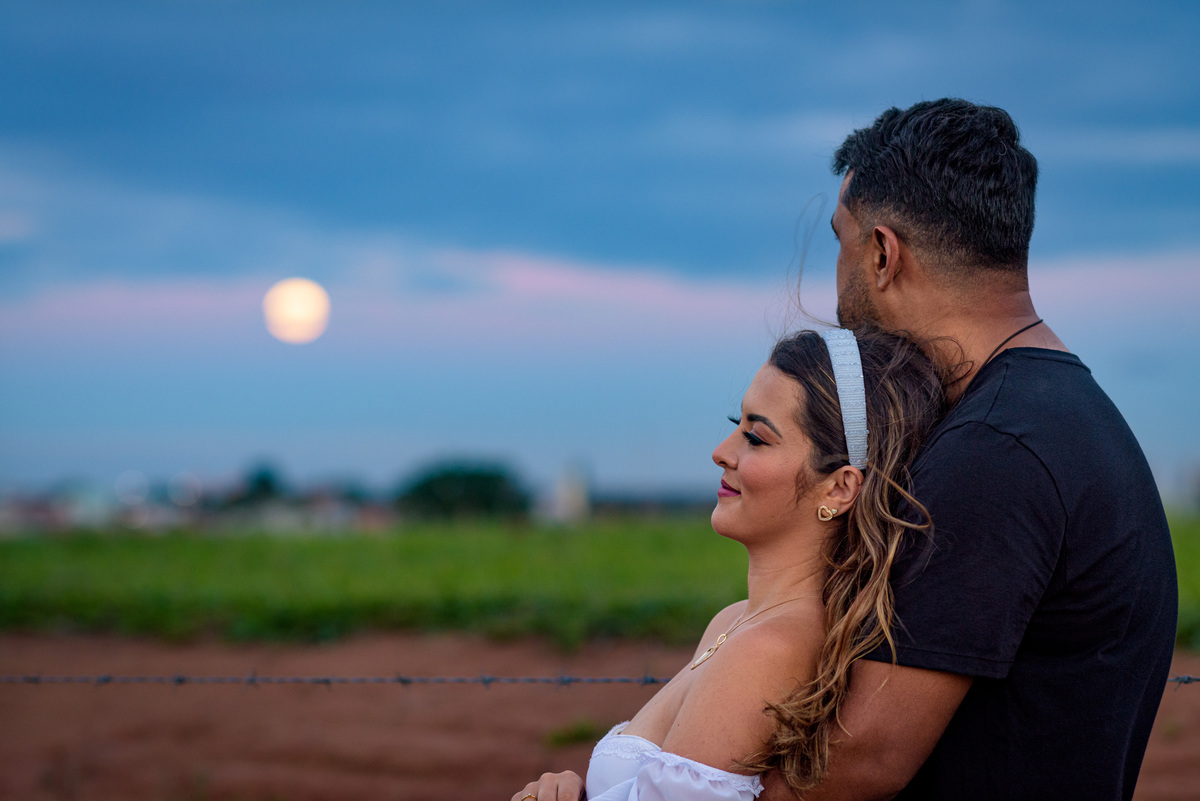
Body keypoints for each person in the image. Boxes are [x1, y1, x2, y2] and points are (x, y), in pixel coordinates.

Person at [762, 98, 1178, 800]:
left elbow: (860, 761)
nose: (836, 284)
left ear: (883, 253)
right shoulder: (1058, 415)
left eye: (842, 242)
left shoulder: (996, 453)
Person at [513, 325, 947, 801]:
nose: (722, 452)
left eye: (756, 439)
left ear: (840, 488)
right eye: (735, 425)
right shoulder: (736, 619)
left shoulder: (770, 647)